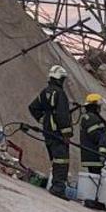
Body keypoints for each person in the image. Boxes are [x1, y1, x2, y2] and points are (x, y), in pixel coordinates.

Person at [27, 65, 73, 198]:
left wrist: (43, 120)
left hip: (47, 131)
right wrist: (66, 134)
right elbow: (62, 115)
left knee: (56, 160)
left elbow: (33, 107)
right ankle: (58, 188)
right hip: (57, 133)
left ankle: (55, 185)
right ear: (60, 78)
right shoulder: (60, 94)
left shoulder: (45, 92)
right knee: (62, 160)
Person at [78, 93, 106, 210]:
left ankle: (93, 198)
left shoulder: (90, 117)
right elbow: (96, 135)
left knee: (95, 177)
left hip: (91, 153)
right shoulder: (91, 118)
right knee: (96, 177)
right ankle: (93, 198)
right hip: (94, 154)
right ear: (95, 106)